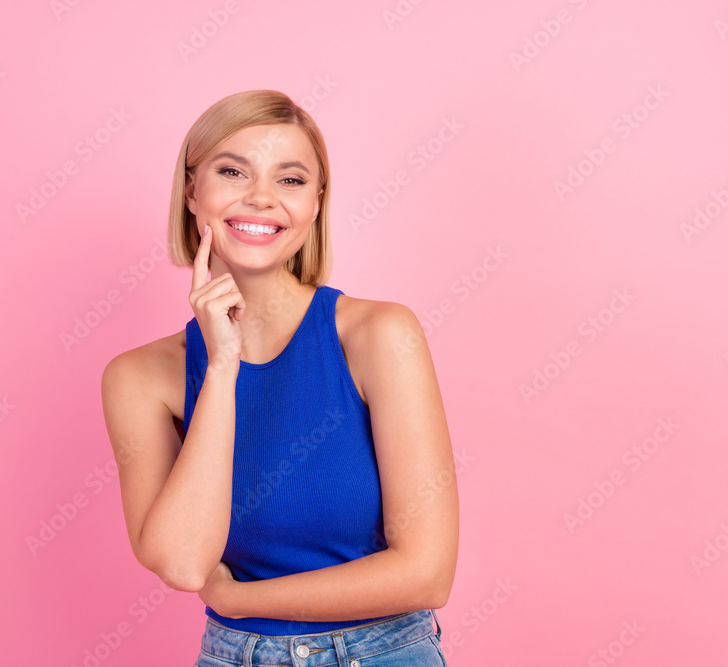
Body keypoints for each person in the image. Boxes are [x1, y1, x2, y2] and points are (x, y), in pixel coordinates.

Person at [101, 89, 459, 666]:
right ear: (192, 190)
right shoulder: (140, 377)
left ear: (316, 204)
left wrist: (241, 600)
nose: (261, 198)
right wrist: (221, 365)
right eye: (232, 171)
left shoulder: (378, 334)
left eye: (290, 180)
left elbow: (425, 574)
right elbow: (185, 563)